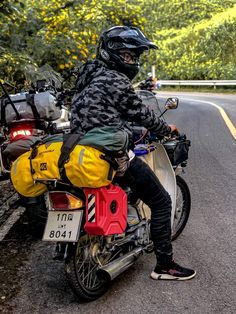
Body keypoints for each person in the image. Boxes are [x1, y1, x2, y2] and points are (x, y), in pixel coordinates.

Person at [70, 25, 196, 280]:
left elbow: (100, 113)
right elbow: (142, 114)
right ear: (112, 53)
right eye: (128, 55)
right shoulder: (116, 80)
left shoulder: (88, 75)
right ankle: (165, 266)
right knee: (161, 201)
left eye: (135, 56)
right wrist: (166, 129)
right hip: (108, 153)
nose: (132, 60)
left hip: (76, 150)